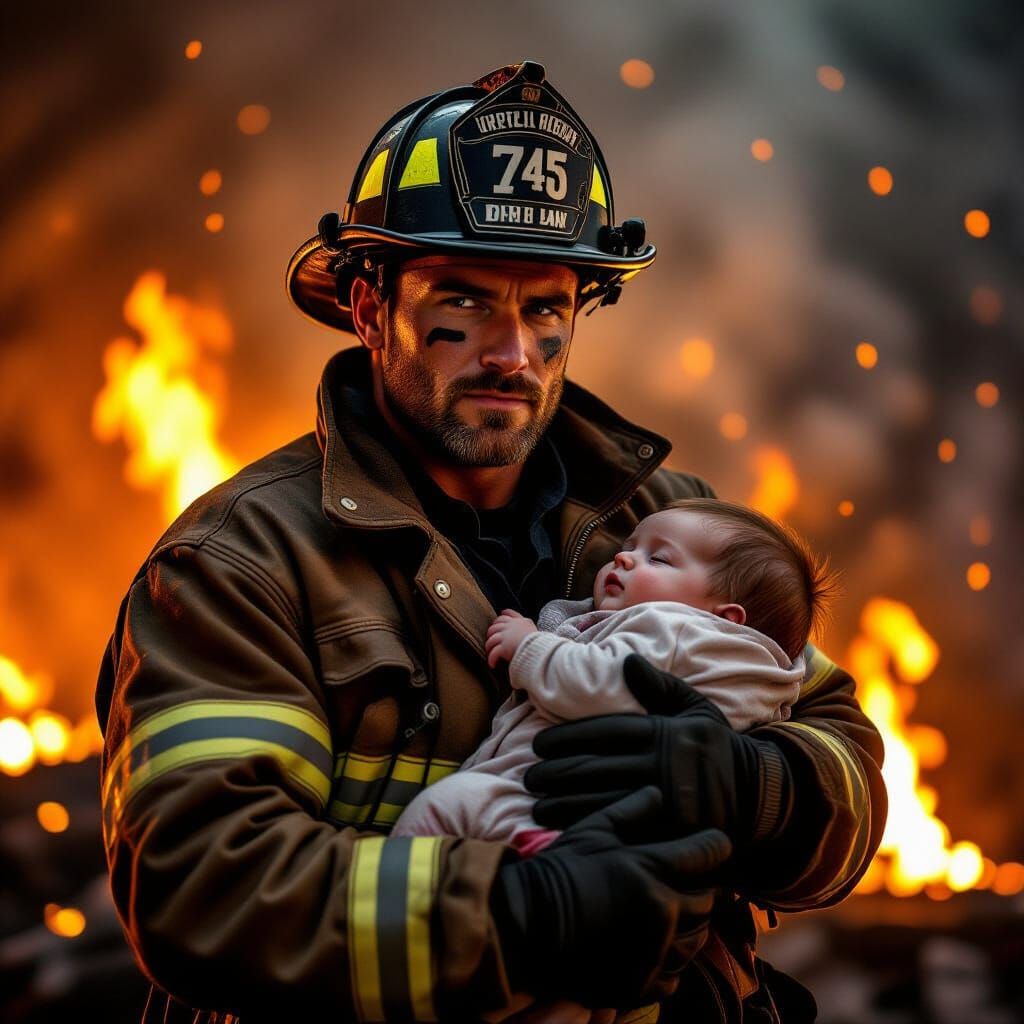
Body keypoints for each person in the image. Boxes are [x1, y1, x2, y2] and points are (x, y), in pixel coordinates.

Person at [95, 61, 886, 1024]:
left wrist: (762, 787)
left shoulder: (669, 524)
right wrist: (521, 916)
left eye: (544, 307)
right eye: (463, 301)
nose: (511, 352)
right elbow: (202, 888)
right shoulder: (239, 564)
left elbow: (844, 759)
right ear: (368, 306)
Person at [392, 498, 832, 853]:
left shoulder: (675, 630)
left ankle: (400, 918)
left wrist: (530, 646)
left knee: (437, 812)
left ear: (726, 618)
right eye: (630, 545)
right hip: (598, 826)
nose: (623, 557)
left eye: (658, 559)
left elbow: (600, 683)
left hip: (541, 803)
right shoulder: (737, 664)